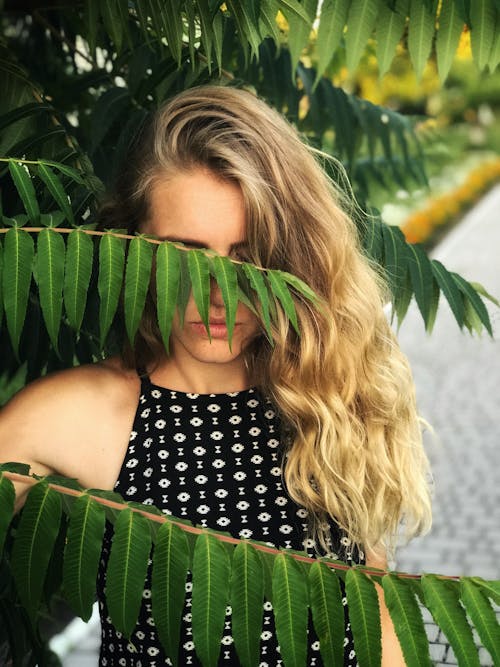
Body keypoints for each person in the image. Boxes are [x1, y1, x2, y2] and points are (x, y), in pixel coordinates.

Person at [0, 85, 432, 666]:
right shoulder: (80, 413)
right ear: (130, 246)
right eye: (187, 254)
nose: (219, 294)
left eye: (249, 258)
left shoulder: (319, 389)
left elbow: (371, 603)